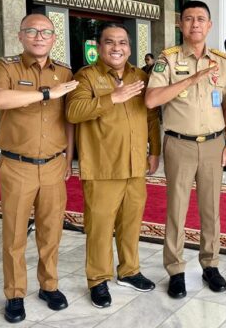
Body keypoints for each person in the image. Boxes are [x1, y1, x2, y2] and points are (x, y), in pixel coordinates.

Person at [0, 13, 79, 323]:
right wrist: (46, 93)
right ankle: (14, 294)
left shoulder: (64, 71)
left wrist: (68, 156)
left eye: (46, 32)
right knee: (14, 234)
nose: (40, 37)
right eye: (32, 31)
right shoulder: (6, 67)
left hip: (53, 165)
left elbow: (68, 119)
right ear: (20, 36)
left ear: (54, 38)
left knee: (51, 231)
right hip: (17, 165)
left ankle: (49, 286)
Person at [145, 0, 226, 299]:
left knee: (211, 209)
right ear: (180, 24)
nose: (195, 24)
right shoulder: (167, 59)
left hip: (214, 144)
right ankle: (175, 269)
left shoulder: (222, 61)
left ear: (209, 25)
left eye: (200, 19)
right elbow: (151, 99)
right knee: (177, 209)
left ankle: (211, 264)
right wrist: (192, 79)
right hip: (179, 144)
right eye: (188, 19)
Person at [66, 23, 161, 308]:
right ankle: (98, 279)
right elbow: (73, 112)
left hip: (135, 166)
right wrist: (112, 98)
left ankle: (129, 271)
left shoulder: (140, 76)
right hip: (103, 167)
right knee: (100, 227)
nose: (117, 47)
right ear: (99, 47)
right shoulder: (86, 76)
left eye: (122, 42)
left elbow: (151, 116)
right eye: (110, 42)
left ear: (129, 48)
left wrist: (155, 151)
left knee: (131, 223)